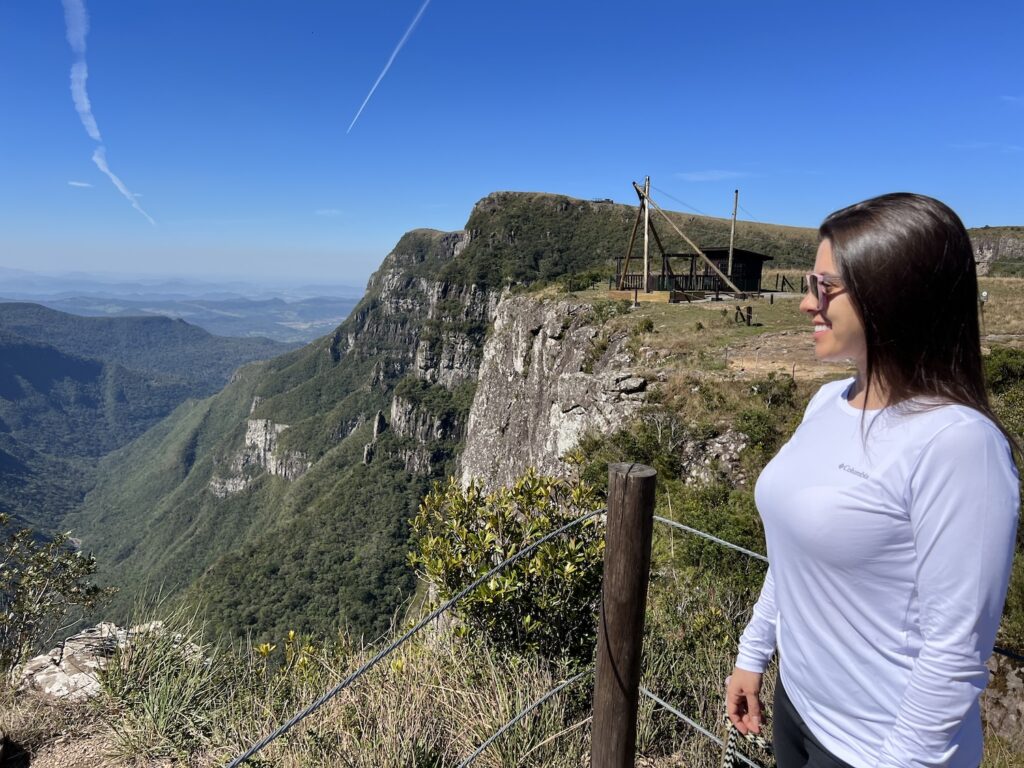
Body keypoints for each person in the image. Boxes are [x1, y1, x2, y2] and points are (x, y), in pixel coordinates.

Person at [725, 192, 1020, 768]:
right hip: (800, 710)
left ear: (894, 294)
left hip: (878, 749)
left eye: (825, 287)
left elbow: (955, 653)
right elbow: (794, 556)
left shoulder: (958, 443)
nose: (807, 304)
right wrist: (753, 653)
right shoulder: (827, 402)